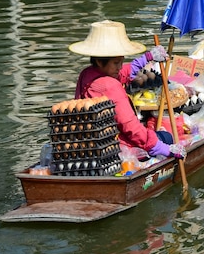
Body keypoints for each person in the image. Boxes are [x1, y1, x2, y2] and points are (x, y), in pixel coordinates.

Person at [69, 20, 186, 160]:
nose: (119, 67)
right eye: (116, 63)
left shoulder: (87, 73)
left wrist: (146, 59)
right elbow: (130, 126)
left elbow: (122, 72)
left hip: (93, 141)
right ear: (100, 62)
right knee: (166, 137)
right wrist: (161, 148)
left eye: (121, 61)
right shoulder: (110, 85)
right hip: (118, 147)